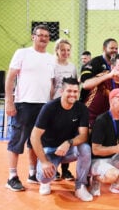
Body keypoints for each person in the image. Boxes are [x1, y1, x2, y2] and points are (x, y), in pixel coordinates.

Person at [5, 24, 55, 191]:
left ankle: (32, 173)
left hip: (44, 105)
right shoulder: (22, 53)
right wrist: (9, 101)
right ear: (33, 36)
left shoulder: (50, 58)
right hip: (24, 103)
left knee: (36, 141)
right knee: (17, 140)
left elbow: (51, 84)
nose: (43, 38)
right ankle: (12, 176)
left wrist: (51, 104)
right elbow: (11, 77)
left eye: (46, 36)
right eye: (40, 35)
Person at [29, 77, 93, 201]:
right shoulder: (49, 107)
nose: (72, 94)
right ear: (62, 91)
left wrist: (68, 143)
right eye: (69, 91)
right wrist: (44, 162)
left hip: (68, 149)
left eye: (75, 91)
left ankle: (80, 187)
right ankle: (45, 182)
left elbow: (83, 136)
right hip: (50, 150)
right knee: (44, 176)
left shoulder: (81, 108)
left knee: (85, 149)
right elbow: (34, 136)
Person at [52, 39, 77, 181]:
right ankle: (54, 169)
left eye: (68, 50)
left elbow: (74, 85)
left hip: (68, 105)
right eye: (62, 50)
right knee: (55, 137)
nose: (65, 53)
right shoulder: (52, 66)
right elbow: (51, 85)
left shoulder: (72, 67)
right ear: (57, 50)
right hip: (55, 104)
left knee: (67, 135)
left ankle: (65, 170)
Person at [82, 54, 119, 128]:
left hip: (106, 120)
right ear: (113, 67)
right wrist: (109, 76)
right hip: (90, 117)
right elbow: (85, 85)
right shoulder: (105, 75)